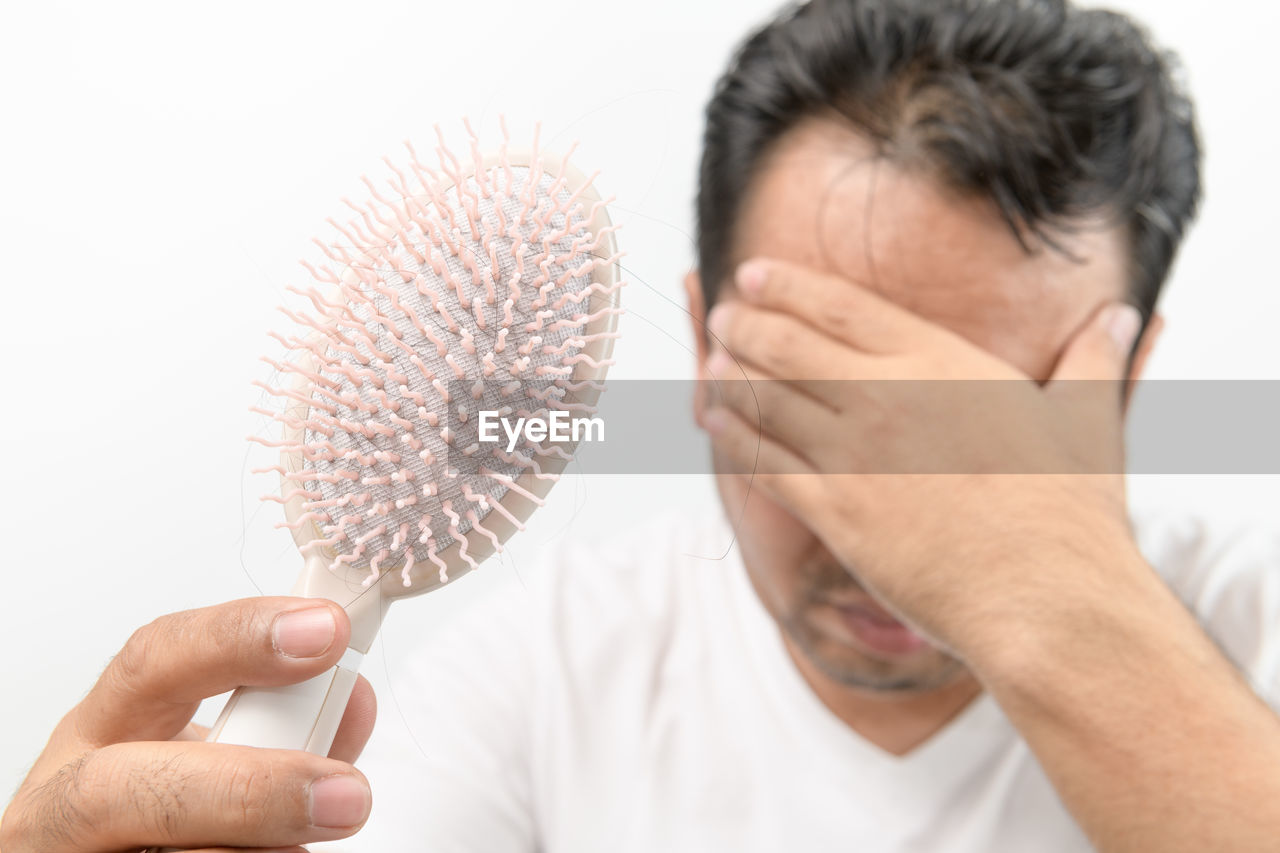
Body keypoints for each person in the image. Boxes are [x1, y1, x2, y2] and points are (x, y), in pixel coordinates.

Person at [4, 0, 1278, 850]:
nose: (895, 529)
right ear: (705, 353)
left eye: (988, 424)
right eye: (815, 400)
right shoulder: (547, 680)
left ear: (1126, 381)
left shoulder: (1251, 615)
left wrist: (1043, 601)